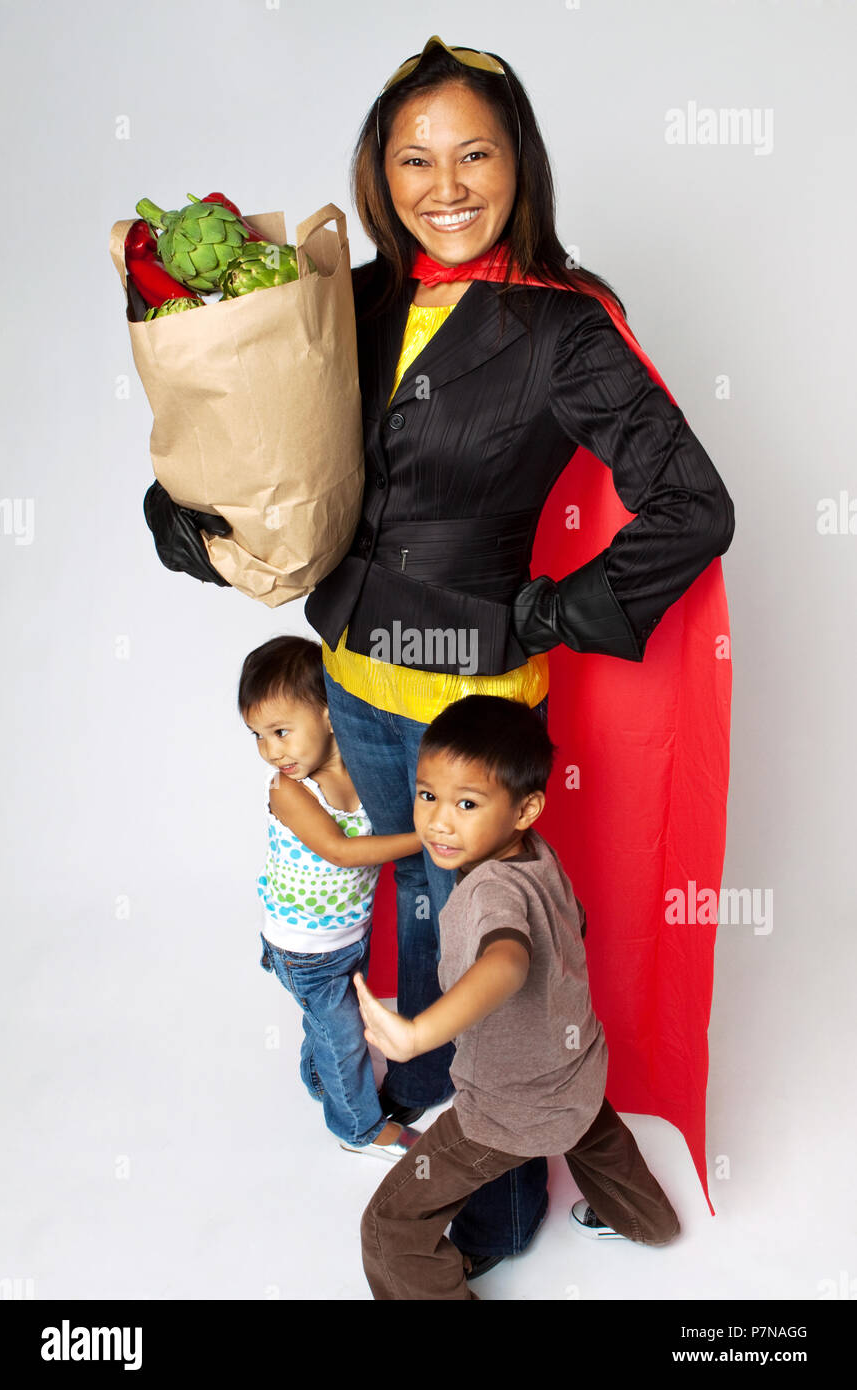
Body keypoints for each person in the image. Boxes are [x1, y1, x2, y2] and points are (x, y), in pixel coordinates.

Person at [143, 37, 735, 1273]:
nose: (444, 182)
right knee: (413, 935)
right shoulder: (344, 299)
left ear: (517, 163)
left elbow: (690, 502)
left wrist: (543, 614)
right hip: (357, 685)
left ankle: (494, 1215)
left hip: (472, 718)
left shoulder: (561, 327)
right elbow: (272, 457)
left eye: (474, 151)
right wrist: (193, 520)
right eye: (414, 157)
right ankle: (444, 1129)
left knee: (491, 960)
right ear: (379, 170)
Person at [354, 695, 679, 1300]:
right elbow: (572, 926)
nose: (439, 822)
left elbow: (506, 961)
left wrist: (419, 1033)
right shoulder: (539, 856)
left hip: (508, 1108)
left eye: (467, 804)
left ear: (525, 807)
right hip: (577, 1073)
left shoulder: (490, 890)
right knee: (597, 1141)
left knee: (389, 1225)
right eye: (428, 795)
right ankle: (649, 1221)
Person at [239, 634, 423, 1161]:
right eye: (258, 736)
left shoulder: (363, 771)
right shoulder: (289, 790)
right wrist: (427, 838)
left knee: (330, 1027)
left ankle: (321, 1075)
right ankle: (358, 1128)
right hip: (302, 949)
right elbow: (342, 851)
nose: (272, 751)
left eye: (280, 731)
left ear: (328, 712)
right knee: (345, 1038)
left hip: (347, 935)